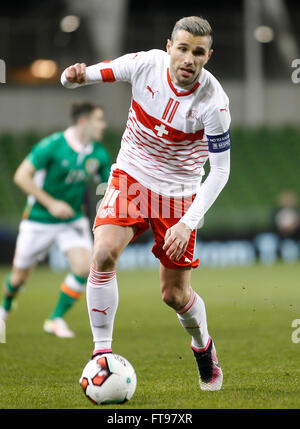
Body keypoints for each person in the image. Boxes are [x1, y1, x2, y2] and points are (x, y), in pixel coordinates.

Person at [61, 16, 231, 390]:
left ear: (207, 56)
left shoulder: (214, 103)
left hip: (179, 196)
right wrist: (77, 75)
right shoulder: (146, 64)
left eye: (198, 53)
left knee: (174, 295)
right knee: (103, 252)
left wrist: (187, 222)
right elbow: (108, 70)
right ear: (169, 47)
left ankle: (204, 348)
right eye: (182, 48)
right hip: (131, 177)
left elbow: (219, 172)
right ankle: (101, 353)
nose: (188, 59)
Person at [0, 102, 111, 338]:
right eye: (99, 120)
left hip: (72, 220)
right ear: (83, 121)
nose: (103, 125)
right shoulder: (52, 145)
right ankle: (4, 310)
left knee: (84, 269)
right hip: (39, 219)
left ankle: (55, 319)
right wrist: (51, 203)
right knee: (19, 277)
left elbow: (107, 186)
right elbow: (21, 176)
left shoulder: (98, 153)